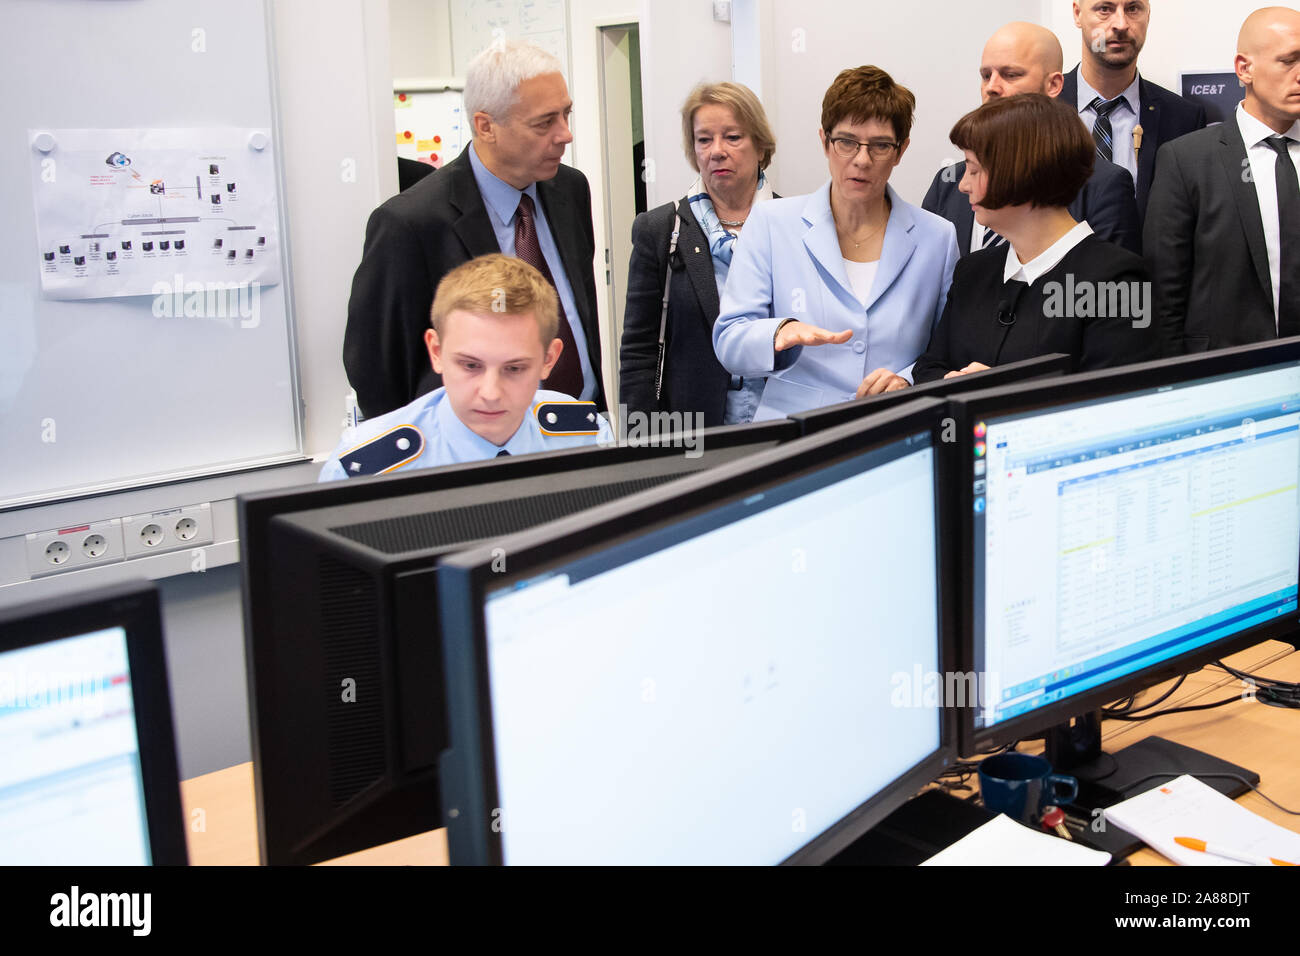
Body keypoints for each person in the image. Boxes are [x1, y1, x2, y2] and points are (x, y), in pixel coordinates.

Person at [344, 40, 606, 419]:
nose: (565, 134)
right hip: (472, 452)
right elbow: (376, 371)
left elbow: (578, 314)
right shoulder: (411, 224)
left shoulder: (570, 189)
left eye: (566, 114)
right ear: (486, 127)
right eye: (544, 122)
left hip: (578, 425)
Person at [712, 66, 959, 419]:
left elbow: (945, 348)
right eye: (846, 142)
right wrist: (781, 332)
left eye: (880, 145)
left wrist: (906, 380)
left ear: (901, 150)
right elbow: (729, 340)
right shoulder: (771, 223)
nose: (861, 159)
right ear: (824, 142)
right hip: (796, 434)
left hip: (896, 428)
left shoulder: (938, 237)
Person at [913, 95, 1159, 383]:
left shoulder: (1118, 283)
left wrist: (1000, 394)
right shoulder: (972, 272)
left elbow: (1114, 404)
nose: (964, 185)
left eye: (974, 169)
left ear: (1022, 172)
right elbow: (929, 368)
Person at [320, 255, 611, 481]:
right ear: (436, 352)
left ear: (549, 359)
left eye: (514, 368)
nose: (490, 393)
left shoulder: (585, 435)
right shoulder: (366, 467)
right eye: (471, 365)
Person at [620, 82, 778, 427]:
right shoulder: (661, 229)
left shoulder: (795, 224)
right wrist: (640, 445)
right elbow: (638, 352)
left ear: (761, 145)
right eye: (704, 139)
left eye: (733, 137)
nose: (716, 151)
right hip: (693, 431)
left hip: (783, 422)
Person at [1145, 7, 1300, 355]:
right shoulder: (1186, 161)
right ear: (1245, 69)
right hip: (1221, 376)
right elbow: (1163, 293)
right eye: (1288, 60)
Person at [923, 21, 1141, 255]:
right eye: (986, 76)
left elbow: (1111, 281)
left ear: (1053, 85)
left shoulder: (1101, 185)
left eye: (1010, 75)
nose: (992, 87)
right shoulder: (950, 183)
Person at [1063, 0, 1206, 221]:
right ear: (1077, 14)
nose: (1120, 24)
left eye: (1133, 9)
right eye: (1105, 9)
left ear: (1148, 15)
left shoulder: (1184, 119)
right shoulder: (1037, 108)